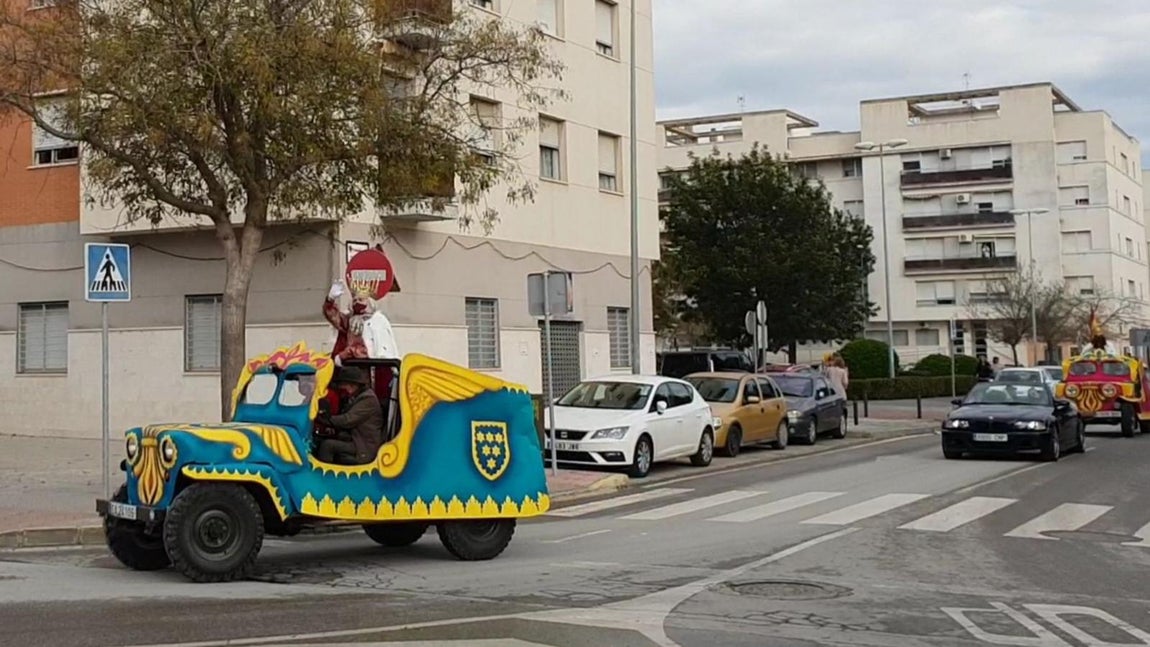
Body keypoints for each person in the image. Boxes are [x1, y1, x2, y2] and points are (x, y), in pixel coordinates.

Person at [315, 368, 384, 465]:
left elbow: (347, 420)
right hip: (354, 439)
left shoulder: (368, 398)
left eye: (343, 384)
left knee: (327, 446)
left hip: (363, 445)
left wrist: (325, 419)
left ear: (353, 385)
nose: (341, 387)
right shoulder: (356, 397)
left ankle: (324, 478)